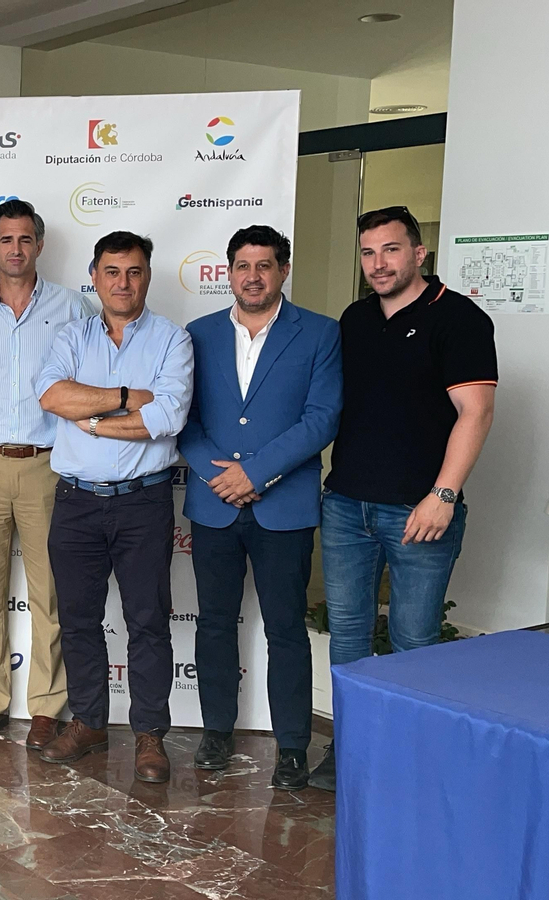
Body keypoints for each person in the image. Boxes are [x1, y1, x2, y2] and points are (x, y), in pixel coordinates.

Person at [310, 206, 497, 791]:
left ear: (419, 253)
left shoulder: (459, 318)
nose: (378, 264)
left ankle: (415, 753)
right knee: (348, 632)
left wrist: (443, 495)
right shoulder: (356, 317)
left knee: (416, 639)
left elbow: (476, 411)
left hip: (420, 509)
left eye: (391, 250)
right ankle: (353, 745)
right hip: (345, 506)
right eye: (368, 253)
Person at [179, 225, 342, 790]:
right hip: (214, 503)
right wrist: (217, 476)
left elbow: (321, 419)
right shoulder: (196, 334)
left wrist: (257, 472)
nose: (253, 275)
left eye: (265, 265)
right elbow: (184, 419)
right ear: (228, 272)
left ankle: (293, 744)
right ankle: (216, 731)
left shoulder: (320, 334)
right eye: (243, 265)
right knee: (215, 625)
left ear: (283, 270)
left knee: (286, 629)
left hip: (285, 507)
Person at [34, 231, 193, 783]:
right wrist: (127, 397)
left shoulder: (173, 340)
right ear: (95, 276)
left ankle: (150, 735)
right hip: (76, 502)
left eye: (133, 272)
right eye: (112, 272)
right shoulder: (71, 335)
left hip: (142, 503)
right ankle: (89, 723)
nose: (122, 282)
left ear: (147, 276)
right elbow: (53, 396)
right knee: (78, 621)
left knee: (148, 622)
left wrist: (94, 418)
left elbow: (167, 419)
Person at [0, 199, 90, 750]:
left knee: (50, 592)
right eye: (5, 240)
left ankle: (46, 706)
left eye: (24, 239)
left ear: (39, 245)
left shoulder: (72, 307)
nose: (15, 248)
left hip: (46, 462)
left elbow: (83, 384)